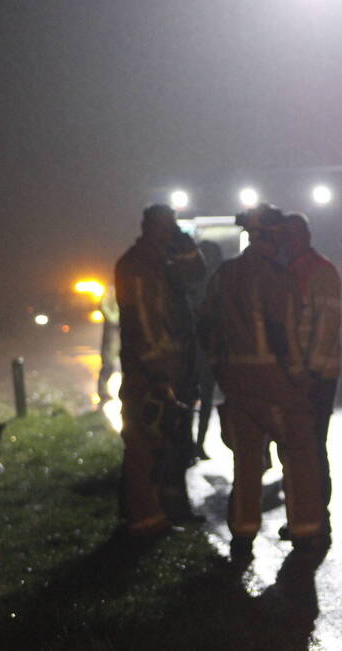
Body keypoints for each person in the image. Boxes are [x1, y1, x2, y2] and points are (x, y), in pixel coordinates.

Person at [196, 204, 328, 560]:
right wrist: (301, 379)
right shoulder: (278, 278)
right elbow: (285, 335)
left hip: (236, 386)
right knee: (299, 457)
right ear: (272, 236)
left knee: (247, 464)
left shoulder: (224, 275)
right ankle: (305, 533)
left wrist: (220, 370)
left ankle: (242, 536)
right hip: (278, 383)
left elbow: (205, 328)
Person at [114, 204, 205, 536]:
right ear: (149, 227)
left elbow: (197, 276)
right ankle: (143, 516)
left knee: (172, 442)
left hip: (175, 369)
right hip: (150, 374)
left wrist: (186, 246)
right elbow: (142, 324)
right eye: (166, 226)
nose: (170, 231)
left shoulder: (163, 263)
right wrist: (157, 374)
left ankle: (169, 509)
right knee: (144, 443)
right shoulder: (136, 266)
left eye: (173, 226)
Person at [281, 212, 342, 537]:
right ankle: (303, 512)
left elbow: (327, 325)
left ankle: (318, 513)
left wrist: (312, 371)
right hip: (298, 373)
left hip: (315, 376)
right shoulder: (293, 269)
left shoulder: (320, 271)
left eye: (289, 236)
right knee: (298, 446)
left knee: (312, 445)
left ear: (303, 236)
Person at [190, 239, 224, 461]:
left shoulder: (195, 282)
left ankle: (194, 444)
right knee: (201, 401)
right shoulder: (214, 283)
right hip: (202, 350)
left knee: (196, 400)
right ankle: (196, 444)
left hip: (200, 350)